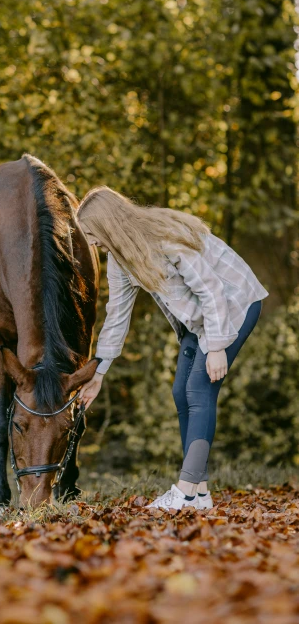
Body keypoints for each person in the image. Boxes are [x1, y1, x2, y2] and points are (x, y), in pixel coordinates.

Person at [76, 186, 268, 512]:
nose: (91, 243)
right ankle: (201, 494)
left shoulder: (165, 238)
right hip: (199, 321)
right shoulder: (121, 261)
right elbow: (117, 317)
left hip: (234, 302)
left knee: (199, 389)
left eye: (92, 234)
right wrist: (99, 372)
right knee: (181, 392)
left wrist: (219, 346)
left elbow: (211, 290)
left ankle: (185, 492)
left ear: (108, 226)